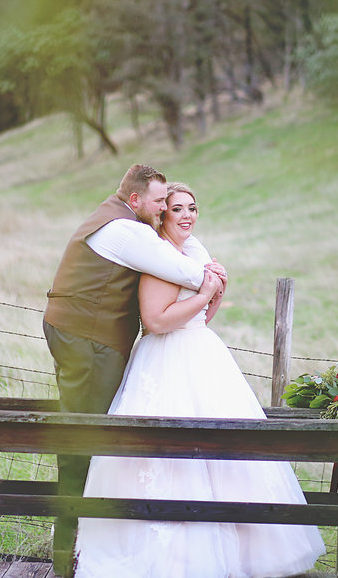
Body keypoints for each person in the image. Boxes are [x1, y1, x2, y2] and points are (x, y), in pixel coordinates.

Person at [73, 183, 325, 577]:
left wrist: (214, 292)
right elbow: (156, 322)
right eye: (177, 209)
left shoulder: (194, 256)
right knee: (172, 458)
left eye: (192, 208)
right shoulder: (160, 262)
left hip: (203, 356)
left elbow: (198, 317)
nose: (187, 215)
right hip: (165, 361)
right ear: (163, 215)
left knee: (227, 455)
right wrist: (205, 289)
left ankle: (242, 551)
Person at [44, 165, 227, 576]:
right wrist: (211, 279)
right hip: (88, 340)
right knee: (82, 439)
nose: (165, 209)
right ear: (135, 201)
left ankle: (76, 545)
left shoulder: (120, 219)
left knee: (88, 435)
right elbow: (180, 270)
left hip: (86, 337)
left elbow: (185, 253)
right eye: (161, 202)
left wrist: (206, 271)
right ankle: (68, 555)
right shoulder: (127, 231)